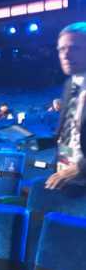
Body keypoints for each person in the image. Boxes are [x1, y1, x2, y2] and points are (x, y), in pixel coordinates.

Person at [45, 22, 86, 191]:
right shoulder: (70, 84)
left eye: (74, 48)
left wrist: (80, 168)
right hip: (65, 177)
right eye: (61, 49)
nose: (66, 55)